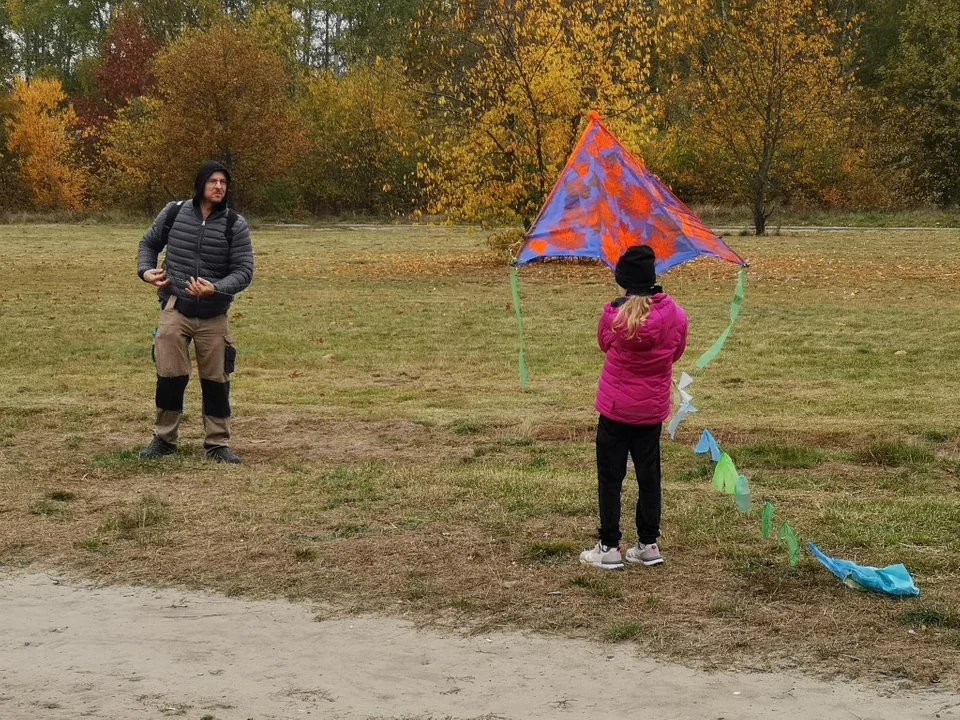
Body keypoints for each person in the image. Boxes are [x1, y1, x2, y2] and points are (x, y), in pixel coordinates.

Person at [136, 160, 255, 464]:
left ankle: (217, 444)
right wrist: (146, 271)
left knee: (216, 380)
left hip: (214, 315)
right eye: (213, 181)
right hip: (176, 307)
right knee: (170, 376)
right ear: (201, 184)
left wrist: (214, 288)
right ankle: (164, 440)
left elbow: (244, 271)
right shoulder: (174, 212)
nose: (218, 187)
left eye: (223, 183)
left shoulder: (234, 224)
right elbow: (149, 243)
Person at [579, 245, 688, 570]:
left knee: (610, 477)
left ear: (624, 281)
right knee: (649, 476)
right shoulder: (676, 316)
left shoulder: (614, 316)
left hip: (614, 410)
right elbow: (676, 353)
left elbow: (603, 344)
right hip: (651, 412)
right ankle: (648, 544)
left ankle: (609, 547)